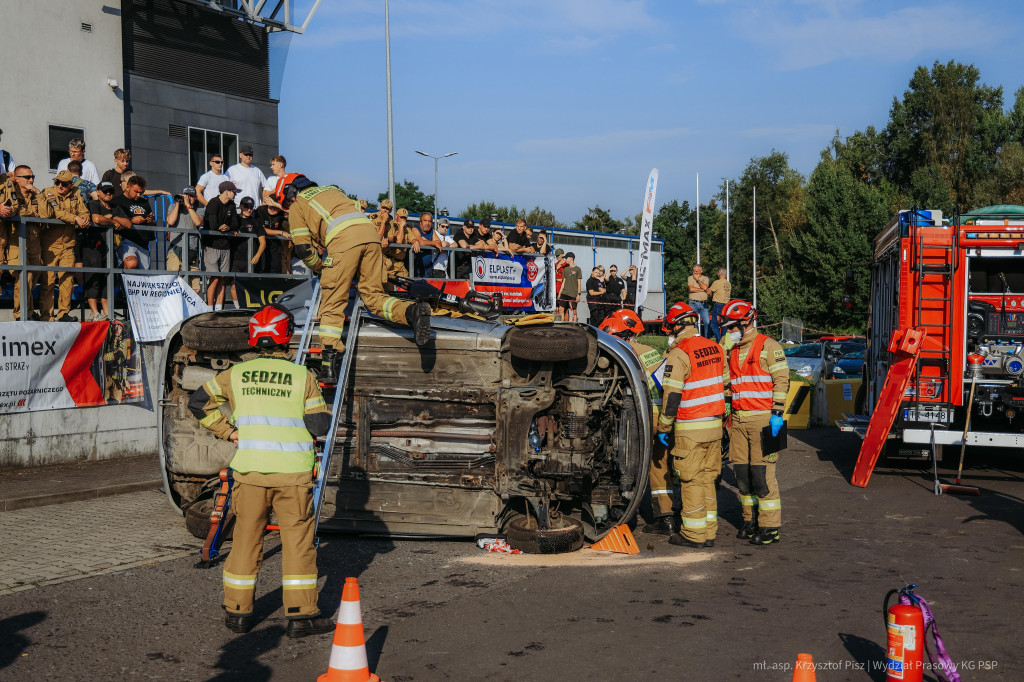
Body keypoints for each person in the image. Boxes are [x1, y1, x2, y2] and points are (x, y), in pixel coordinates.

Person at [187, 304, 335, 638]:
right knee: (297, 542)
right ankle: (301, 616)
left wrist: (227, 431)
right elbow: (318, 425)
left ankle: (237, 613)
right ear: (286, 336)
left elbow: (198, 403)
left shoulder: (235, 375)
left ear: (254, 337)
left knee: (245, 539)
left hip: (250, 472)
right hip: (292, 475)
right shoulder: (303, 377)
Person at [271, 173, 433, 383]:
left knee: (332, 302)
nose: (287, 205)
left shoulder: (298, 205)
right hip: (370, 237)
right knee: (374, 296)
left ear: (290, 192)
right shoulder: (333, 190)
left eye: (286, 201)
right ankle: (412, 312)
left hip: (343, 241)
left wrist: (320, 267)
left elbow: (303, 249)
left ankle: (328, 366)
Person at [657, 302, 728, 549]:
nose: (670, 335)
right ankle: (709, 531)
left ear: (677, 326)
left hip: (690, 428)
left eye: (670, 330)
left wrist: (664, 428)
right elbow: (726, 383)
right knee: (709, 479)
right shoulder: (715, 347)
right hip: (715, 426)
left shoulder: (680, 353)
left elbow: (672, 397)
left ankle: (694, 535)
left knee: (691, 481)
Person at [719, 299, 789, 546]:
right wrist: (723, 348)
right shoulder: (733, 349)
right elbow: (727, 381)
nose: (728, 332)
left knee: (762, 475)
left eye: (731, 327)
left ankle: (769, 526)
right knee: (742, 475)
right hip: (737, 420)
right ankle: (749, 520)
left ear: (746, 322)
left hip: (763, 420)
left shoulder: (768, 346)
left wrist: (777, 414)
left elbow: (782, 381)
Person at [599, 309, 675, 535]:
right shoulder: (652, 351)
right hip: (661, 415)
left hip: (638, 416)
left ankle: (619, 511)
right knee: (658, 466)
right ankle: (666, 516)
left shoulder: (620, 352)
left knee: (623, 461)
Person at [39, 170, 90, 321]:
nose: (60, 186)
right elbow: (55, 212)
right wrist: (75, 218)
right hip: (50, 244)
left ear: (71, 185)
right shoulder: (48, 193)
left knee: (67, 279)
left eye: (64, 184)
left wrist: (85, 218)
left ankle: (63, 314)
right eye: (57, 182)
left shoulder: (77, 193)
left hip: (68, 244)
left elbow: (84, 211)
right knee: (48, 280)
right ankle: (46, 315)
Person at [8, 166, 50, 320]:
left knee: (34, 277)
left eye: (32, 176)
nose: (31, 180)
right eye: (27, 177)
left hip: (34, 242)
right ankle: (21, 315)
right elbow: (13, 211)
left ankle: (28, 312)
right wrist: (33, 214)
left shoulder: (35, 195)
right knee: (23, 277)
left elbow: (46, 214)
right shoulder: (11, 192)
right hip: (16, 241)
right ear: (16, 178)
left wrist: (38, 193)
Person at [84, 181, 130, 320]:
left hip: (110, 248)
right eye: (105, 191)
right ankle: (94, 313)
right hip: (93, 247)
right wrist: (113, 222)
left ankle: (107, 312)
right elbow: (96, 219)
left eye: (111, 191)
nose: (109, 194)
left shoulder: (115, 207)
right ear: (98, 192)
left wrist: (113, 217)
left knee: (108, 280)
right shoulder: (93, 204)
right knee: (94, 279)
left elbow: (127, 223)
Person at [202, 181, 241, 310]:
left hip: (225, 245)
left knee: (223, 278)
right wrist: (222, 227)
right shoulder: (213, 203)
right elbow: (212, 225)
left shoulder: (232, 205)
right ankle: (209, 308)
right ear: (226, 192)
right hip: (212, 244)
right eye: (234, 192)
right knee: (214, 277)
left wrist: (228, 227)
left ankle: (218, 309)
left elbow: (236, 224)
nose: (235, 194)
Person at [111, 175, 156, 269]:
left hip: (143, 244)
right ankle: (121, 281)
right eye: (136, 192)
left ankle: (122, 282)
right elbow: (112, 219)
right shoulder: (117, 201)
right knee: (131, 264)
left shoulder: (144, 202)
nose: (139, 195)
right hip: (126, 241)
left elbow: (153, 225)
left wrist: (150, 221)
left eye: (141, 192)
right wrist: (132, 220)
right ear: (128, 187)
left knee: (141, 277)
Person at [230, 197, 266, 307]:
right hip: (235, 257)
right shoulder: (234, 219)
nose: (249, 210)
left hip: (250, 259)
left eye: (251, 208)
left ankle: (247, 308)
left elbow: (263, 242)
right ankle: (238, 309)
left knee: (249, 285)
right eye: (246, 207)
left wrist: (257, 255)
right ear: (241, 206)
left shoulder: (256, 222)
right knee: (234, 285)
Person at [165, 187, 202, 279]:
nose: (188, 198)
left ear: (196, 198)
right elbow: (170, 221)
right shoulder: (173, 207)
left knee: (195, 287)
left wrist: (188, 205)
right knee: (173, 281)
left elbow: (197, 222)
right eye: (186, 196)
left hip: (191, 251)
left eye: (191, 196)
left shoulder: (199, 210)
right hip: (175, 249)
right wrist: (178, 204)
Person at [253, 200, 290, 274]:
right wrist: (281, 232)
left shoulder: (281, 213)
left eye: (275, 208)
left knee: (276, 273)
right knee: (261, 273)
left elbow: (294, 213)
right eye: (270, 207)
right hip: (261, 247)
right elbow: (262, 229)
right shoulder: (261, 210)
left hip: (275, 248)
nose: (272, 209)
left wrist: (278, 205)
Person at [379, 204, 408, 288]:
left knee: (405, 286)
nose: (403, 220)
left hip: (400, 263)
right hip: (390, 262)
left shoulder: (407, 229)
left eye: (405, 218)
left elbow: (414, 238)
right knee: (388, 287)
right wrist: (401, 227)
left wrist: (415, 241)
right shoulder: (392, 225)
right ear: (396, 216)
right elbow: (398, 241)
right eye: (401, 217)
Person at [411, 212, 442, 277]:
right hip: (416, 269)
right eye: (425, 221)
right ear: (420, 222)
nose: (427, 223)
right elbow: (421, 242)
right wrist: (433, 243)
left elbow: (439, 242)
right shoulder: (415, 229)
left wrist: (426, 241)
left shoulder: (432, 231)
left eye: (429, 221)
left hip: (428, 269)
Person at [706, 268, 731, 341]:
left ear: (718, 274)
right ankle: (724, 340)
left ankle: (719, 340)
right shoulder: (728, 283)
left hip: (718, 304)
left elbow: (709, 292)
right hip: (726, 305)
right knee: (724, 324)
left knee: (713, 324)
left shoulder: (717, 282)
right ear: (726, 275)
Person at [557, 251, 582, 322]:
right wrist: (560, 293)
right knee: (560, 309)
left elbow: (579, 283)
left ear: (571, 258)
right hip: (565, 292)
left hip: (573, 293)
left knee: (574, 311)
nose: (565, 260)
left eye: (566, 258)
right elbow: (563, 282)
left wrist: (578, 294)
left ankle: (574, 325)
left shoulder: (578, 269)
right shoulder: (566, 269)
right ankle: (561, 324)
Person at [687, 263, 711, 335]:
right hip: (693, 303)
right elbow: (691, 289)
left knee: (707, 322)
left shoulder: (705, 278)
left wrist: (697, 280)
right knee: (694, 322)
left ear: (701, 271)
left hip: (704, 304)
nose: (695, 272)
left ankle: (707, 339)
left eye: (697, 271)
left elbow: (705, 287)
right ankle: (696, 338)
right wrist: (703, 289)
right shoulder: (690, 278)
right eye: (694, 271)